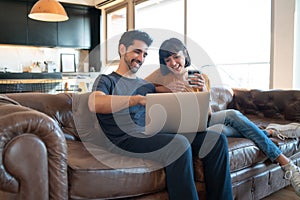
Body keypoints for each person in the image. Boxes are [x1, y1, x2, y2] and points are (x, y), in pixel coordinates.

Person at [145, 37, 300, 197]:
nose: (173, 63)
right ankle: (269, 133)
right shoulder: (160, 76)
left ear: (184, 53)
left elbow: (208, 115)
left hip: (202, 123)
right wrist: (164, 89)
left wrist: (205, 93)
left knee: (231, 115)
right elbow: (137, 87)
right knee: (225, 127)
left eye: (176, 56)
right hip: (178, 127)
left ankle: (286, 164)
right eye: (167, 60)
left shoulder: (199, 77)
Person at [88, 30, 233, 200]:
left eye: (144, 54)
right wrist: (136, 100)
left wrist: (198, 90)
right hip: (124, 139)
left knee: (215, 139)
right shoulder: (106, 80)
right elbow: (95, 103)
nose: (141, 58)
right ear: (122, 49)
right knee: (179, 143)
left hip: (151, 133)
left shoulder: (144, 84)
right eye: (137, 51)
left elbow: (174, 93)